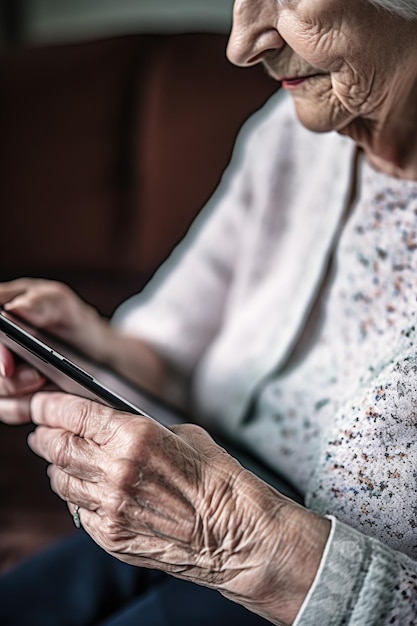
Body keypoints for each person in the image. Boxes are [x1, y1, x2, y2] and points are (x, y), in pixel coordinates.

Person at [1, 0, 417, 623]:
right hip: (185, 531)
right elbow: (170, 349)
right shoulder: (293, 133)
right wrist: (88, 346)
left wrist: (243, 540)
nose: (241, 43)